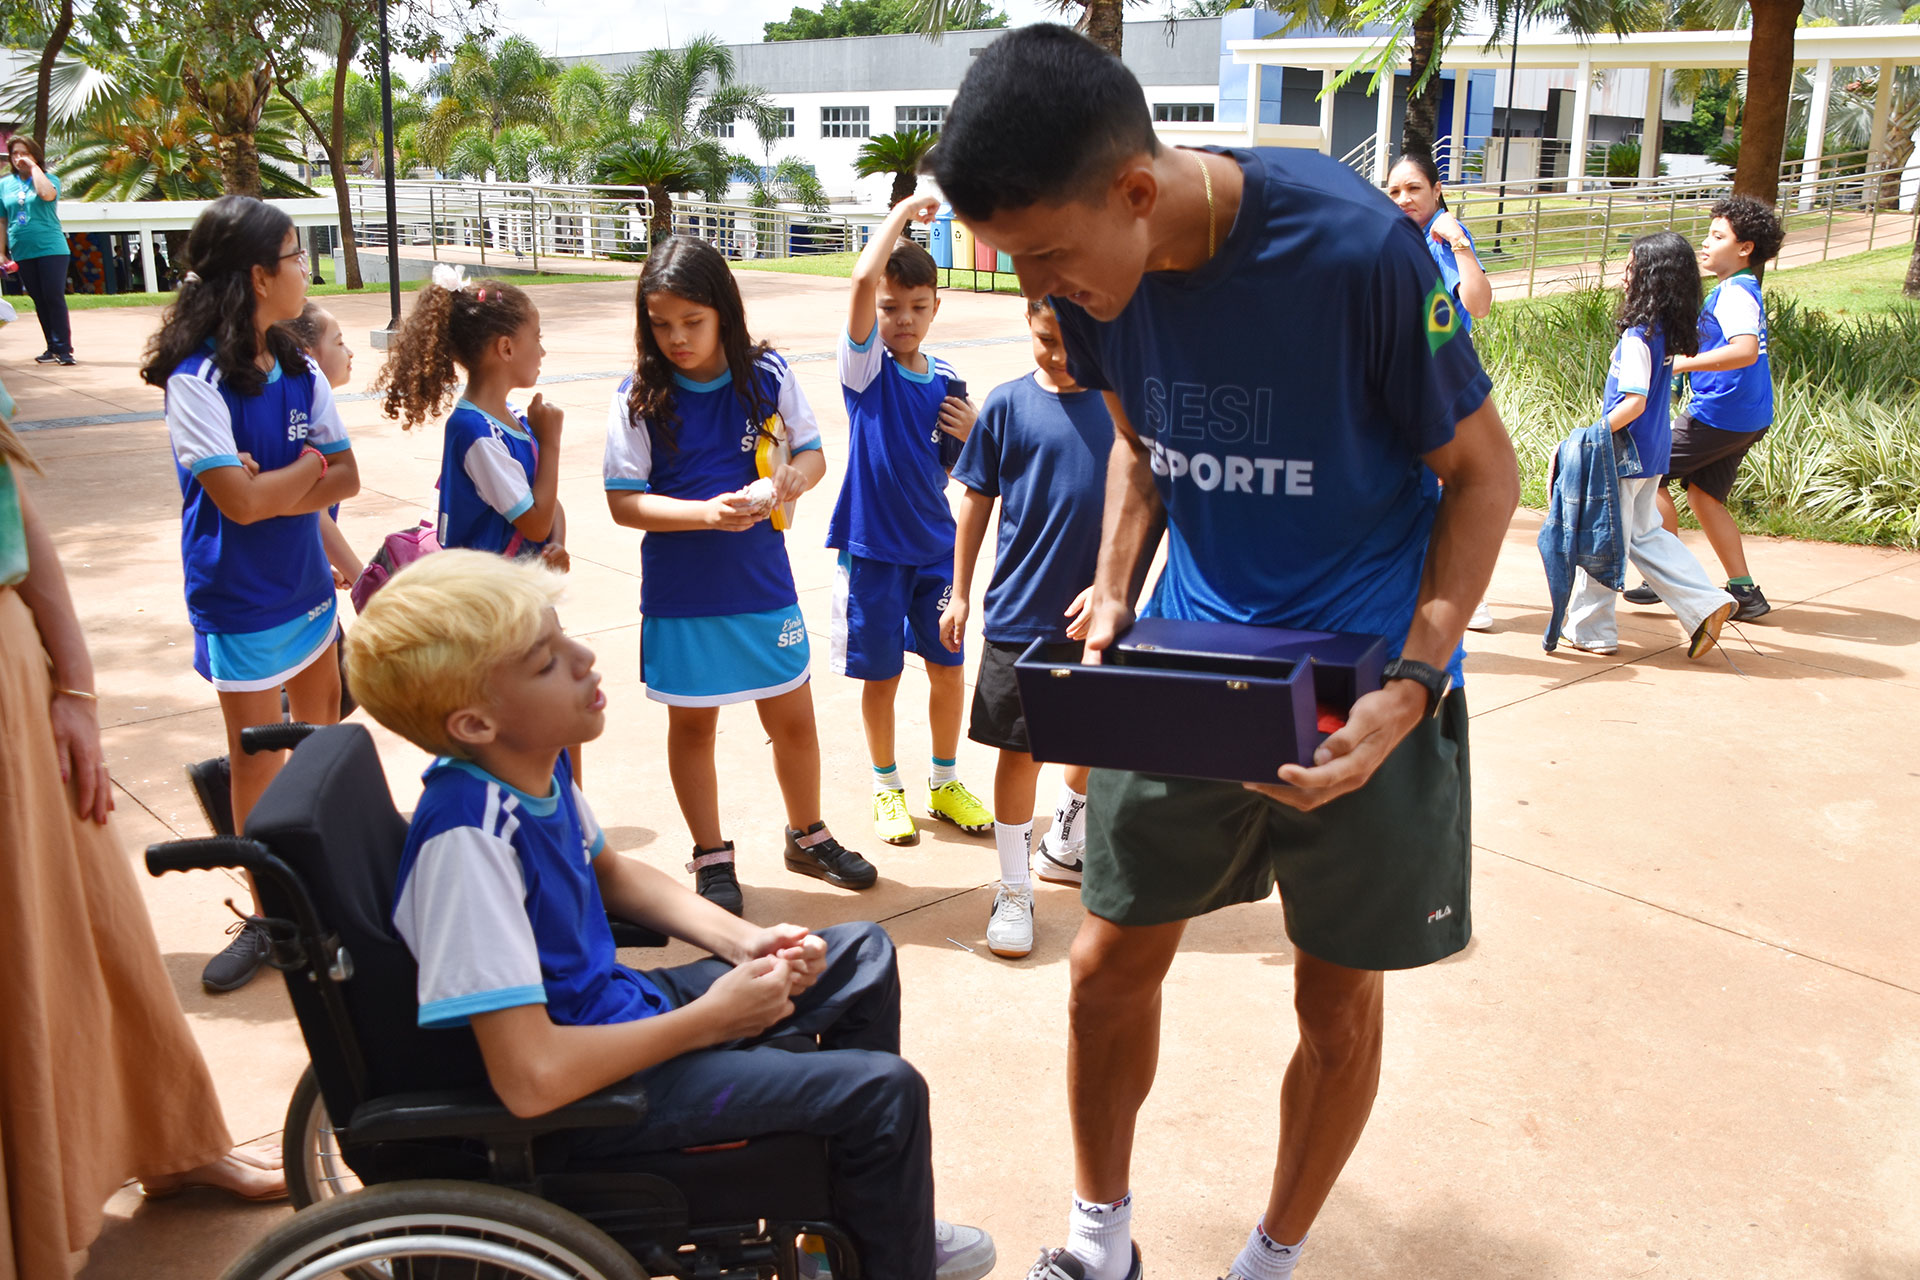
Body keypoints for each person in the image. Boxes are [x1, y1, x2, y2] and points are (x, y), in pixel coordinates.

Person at [930, 27, 1518, 1280]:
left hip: (1365, 678)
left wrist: (1413, 688)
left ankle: (1272, 1255)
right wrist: (1109, 582)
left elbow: (1482, 473)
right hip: (1190, 659)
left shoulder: (1358, 247)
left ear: (1136, 192)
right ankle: (1100, 1240)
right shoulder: (1091, 286)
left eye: (1045, 253)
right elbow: (1141, 442)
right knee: (1103, 966)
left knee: (1335, 996)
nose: (1036, 287)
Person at [343, 549, 995, 1280]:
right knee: (882, 1094)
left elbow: (613, 873)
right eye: (545, 662)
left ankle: (864, 1218)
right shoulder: (470, 841)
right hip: (590, 1101)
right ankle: (888, 1251)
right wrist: (712, 1020)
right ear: (475, 722)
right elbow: (531, 1079)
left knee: (859, 955)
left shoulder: (529, 765)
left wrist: (746, 942)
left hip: (619, 1013)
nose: (585, 657)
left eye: (564, 636)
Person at [0, 388, 285, 1280]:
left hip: (11, 682)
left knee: (89, 921)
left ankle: (168, 1137)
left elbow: (17, 512)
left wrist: (74, 687)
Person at [604, 236, 871, 916]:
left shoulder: (768, 375)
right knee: (693, 729)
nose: (676, 338)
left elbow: (810, 456)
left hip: (762, 584)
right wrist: (702, 513)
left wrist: (789, 484)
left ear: (723, 310)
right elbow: (622, 501)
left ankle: (807, 835)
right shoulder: (639, 395)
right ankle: (711, 854)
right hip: (682, 594)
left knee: (794, 720)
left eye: (691, 322)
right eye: (661, 325)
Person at [139, 195, 360, 993]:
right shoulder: (195, 381)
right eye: (298, 257)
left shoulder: (300, 369)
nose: (307, 270)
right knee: (255, 762)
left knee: (324, 740)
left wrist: (283, 480)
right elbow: (238, 502)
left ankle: (327, 888)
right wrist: (303, 476)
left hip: (307, 592)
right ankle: (271, 917)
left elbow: (350, 477)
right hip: (240, 599)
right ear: (262, 275)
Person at [938, 296, 1108, 959]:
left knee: (1093, 743)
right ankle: (1013, 888)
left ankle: (1065, 838)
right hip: (1020, 618)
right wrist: (959, 594)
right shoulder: (1006, 406)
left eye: (1075, 343)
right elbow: (975, 502)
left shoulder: (1123, 407)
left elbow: (1148, 506)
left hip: (1097, 619)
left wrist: (1113, 587)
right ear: (1029, 325)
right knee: (1020, 752)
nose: (1060, 357)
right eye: (1046, 341)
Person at [828, 194, 993, 847]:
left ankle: (946, 781)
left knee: (949, 668)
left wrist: (978, 431)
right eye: (891, 309)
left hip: (935, 551)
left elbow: (967, 469)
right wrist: (901, 214)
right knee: (883, 673)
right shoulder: (865, 370)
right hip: (873, 551)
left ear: (935, 307)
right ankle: (886, 786)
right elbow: (863, 278)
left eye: (917, 308)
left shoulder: (947, 378)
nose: (902, 320)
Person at [1562, 232, 1737, 659]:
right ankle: (1706, 604)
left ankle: (1592, 631)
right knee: (1643, 534)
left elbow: (1634, 402)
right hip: (1650, 454)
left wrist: (1589, 435)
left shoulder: (1637, 336)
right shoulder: (1664, 334)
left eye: (1632, 268)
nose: (1624, 277)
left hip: (1622, 454)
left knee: (1601, 540)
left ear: (1651, 279)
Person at [1625, 195, 1785, 622]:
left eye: (1718, 236)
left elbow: (1745, 351)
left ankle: (1667, 578)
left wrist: (1680, 363)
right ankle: (1745, 592)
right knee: (1705, 497)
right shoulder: (1739, 289)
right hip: (1747, 418)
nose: (1706, 243)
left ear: (1745, 247)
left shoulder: (1734, 293)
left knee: (1646, 470)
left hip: (1719, 416)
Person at [375, 265, 571, 573]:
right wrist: (550, 444)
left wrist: (556, 543)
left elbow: (547, 503)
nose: (542, 350)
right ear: (506, 348)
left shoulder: (514, 418)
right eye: (537, 337)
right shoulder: (477, 434)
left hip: (517, 592)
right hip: (488, 603)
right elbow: (534, 523)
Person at [1386, 150, 1497, 633]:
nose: (1404, 198)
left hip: (1443, 378)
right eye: (1394, 190)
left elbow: (1480, 303)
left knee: (1452, 486)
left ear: (1436, 190)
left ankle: (1466, 596)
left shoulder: (1443, 236)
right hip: (1399, 378)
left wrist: (1459, 244)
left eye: (1413, 188)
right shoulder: (1393, 235)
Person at [281, 301, 363, 591]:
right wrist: (365, 581)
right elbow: (314, 516)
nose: (350, 352)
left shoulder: (313, 416)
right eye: (339, 342)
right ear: (308, 355)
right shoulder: (298, 428)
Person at [0, 136, 75, 366]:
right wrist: (2, 252)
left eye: (24, 153)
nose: (18, 158)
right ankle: (51, 347)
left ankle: (64, 349)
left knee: (53, 296)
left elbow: (47, 195)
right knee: (39, 299)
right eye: (14, 154)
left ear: (35, 155)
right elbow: (2, 220)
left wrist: (33, 168)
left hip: (51, 248)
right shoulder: (4, 185)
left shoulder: (49, 178)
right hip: (23, 250)